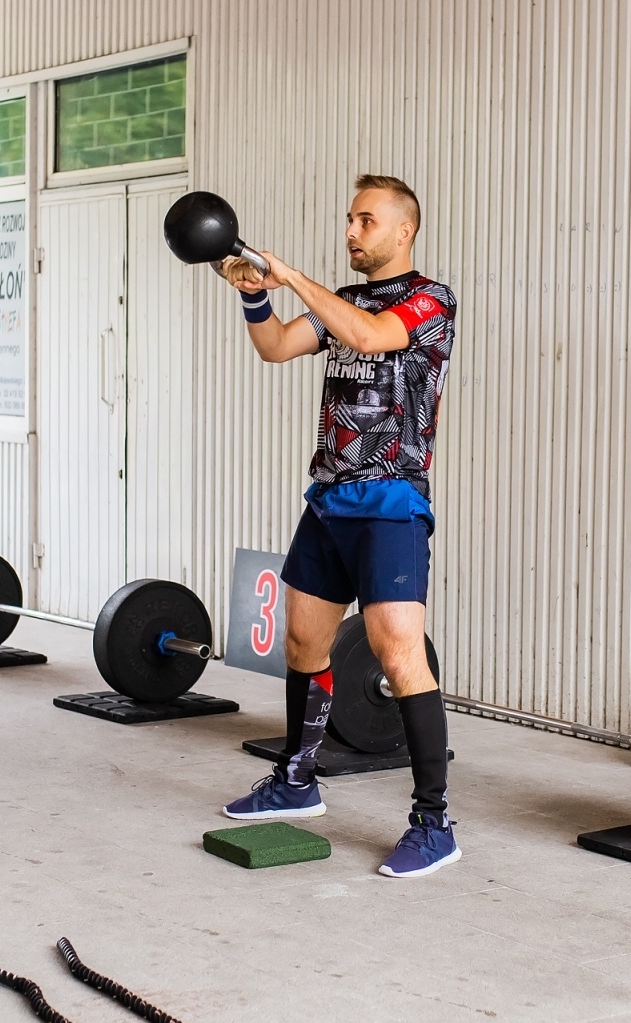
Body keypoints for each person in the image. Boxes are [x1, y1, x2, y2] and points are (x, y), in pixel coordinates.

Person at [217, 174, 461, 878]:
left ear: (403, 231)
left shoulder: (430, 300)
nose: (352, 232)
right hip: (329, 498)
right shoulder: (343, 300)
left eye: (365, 221)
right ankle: (297, 779)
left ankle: (434, 821)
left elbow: (371, 335)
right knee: (302, 638)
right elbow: (278, 346)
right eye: (349, 220)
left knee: (396, 650)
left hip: (391, 502)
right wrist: (254, 293)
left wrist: (289, 273)